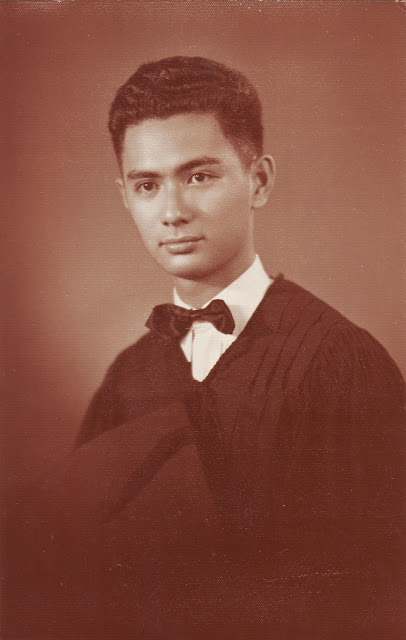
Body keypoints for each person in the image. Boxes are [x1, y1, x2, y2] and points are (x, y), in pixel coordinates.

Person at [8, 56, 405, 640]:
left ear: (259, 181)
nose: (172, 212)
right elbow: (80, 571)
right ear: (125, 197)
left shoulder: (339, 362)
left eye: (199, 176)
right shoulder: (128, 376)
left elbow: (377, 597)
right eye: (147, 185)